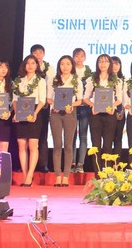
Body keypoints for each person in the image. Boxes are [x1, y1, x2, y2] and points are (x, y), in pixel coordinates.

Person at [48, 55, 83, 187]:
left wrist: (71, 105)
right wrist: (54, 104)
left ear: (72, 66)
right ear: (59, 66)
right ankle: (58, 176)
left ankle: (66, 176)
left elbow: (80, 100)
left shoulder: (76, 81)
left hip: (70, 114)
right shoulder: (54, 80)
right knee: (57, 145)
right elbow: (49, 98)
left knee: (68, 145)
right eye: (62, 64)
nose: (65, 66)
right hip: (56, 114)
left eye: (68, 64)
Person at [13, 55, 47, 187]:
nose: (30, 66)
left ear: (37, 65)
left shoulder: (40, 81)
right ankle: (24, 174)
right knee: (21, 145)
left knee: (33, 145)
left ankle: (30, 175)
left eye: (33, 63)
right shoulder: (18, 81)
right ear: (24, 65)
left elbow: (42, 100)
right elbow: (14, 99)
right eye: (28, 63)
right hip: (20, 111)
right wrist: (16, 113)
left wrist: (35, 113)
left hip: (34, 111)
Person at [83, 54, 122, 168]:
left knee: (108, 145)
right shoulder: (92, 79)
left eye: (105, 61)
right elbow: (85, 98)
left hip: (110, 115)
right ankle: (97, 173)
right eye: (100, 62)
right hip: (95, 115)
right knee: (96, 145)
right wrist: (93, 105)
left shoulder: (116, 80)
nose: (103, 64)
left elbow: (119, 99)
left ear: (110, 64)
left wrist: (112, 106)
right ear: (97, 64)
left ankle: (107, 172)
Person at [30, 44, 55, 173]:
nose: (38, 55)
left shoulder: (49, 68)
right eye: (35, 52)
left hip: (44, 104)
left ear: (44, 54)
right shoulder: (27, 67)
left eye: (40, 52)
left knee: (43, 135)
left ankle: (43, 164)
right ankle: (29, 164)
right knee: (28, 136)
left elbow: (51, 85)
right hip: (29, 105)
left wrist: (47, 100)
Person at [72, 48, 94, 173]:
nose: (79, 58)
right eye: (76, 56)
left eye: (81, 56)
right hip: (73, 106)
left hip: (85, 106)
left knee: (83, 135)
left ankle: (80, 164)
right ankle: (71, 163)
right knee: (72, 136)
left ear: (85, 57)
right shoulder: (70, 70)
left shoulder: (89, 73)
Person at [111, 56, 126, 160]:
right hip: (108, 111)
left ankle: (116, 163)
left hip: (120, 111)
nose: (114, 66)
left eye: (117, 64)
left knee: (118, 138)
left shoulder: (124, 81)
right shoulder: (105, 80)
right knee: (108, 139)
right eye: (112, 64)